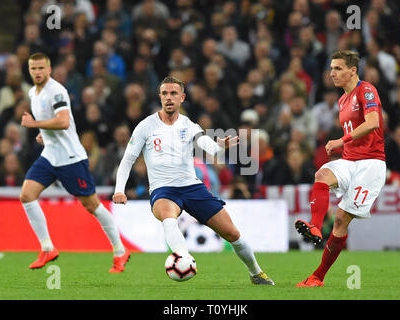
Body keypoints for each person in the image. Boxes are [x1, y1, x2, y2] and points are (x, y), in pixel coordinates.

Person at [112, 76, 274, 285]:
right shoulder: (146, 126)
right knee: (168, 216)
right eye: (165, 94)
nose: (169, 98)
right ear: (160, 96)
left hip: (192, 187)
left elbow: (206, 144)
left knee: (232, 233)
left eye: (173, 94)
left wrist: (220, 145)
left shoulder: (188, 125)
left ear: (182, 98)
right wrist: (119, 190)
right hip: (163, 189)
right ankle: (183, 257)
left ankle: (256, 273)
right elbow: (127, 160)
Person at [20, 52, 130, 273]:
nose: (38, 72)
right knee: (26, 195)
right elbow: (53, 124)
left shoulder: (57, 91)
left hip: (70, 158)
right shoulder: (33, 92)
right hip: (50, 155)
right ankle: (47, 247)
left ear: (49, 69)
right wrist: (43, 132)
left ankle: (120, 250)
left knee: (91, 205)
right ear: (29, 70)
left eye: (42, 68)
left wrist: (35, 124)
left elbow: (63, 121)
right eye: (34, 68)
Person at [295, 50, 386, 287]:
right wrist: (344, 145)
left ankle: (318, 276)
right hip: (350, 160)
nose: (331, 73)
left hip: (370, 164)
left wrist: (340, 141)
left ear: (352, 70)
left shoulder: (366, 90)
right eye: (331, 68)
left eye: (337, 68)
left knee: (340, 221)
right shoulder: (342, 100)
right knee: (321, 174)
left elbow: (373, 122)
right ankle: (315, 226)